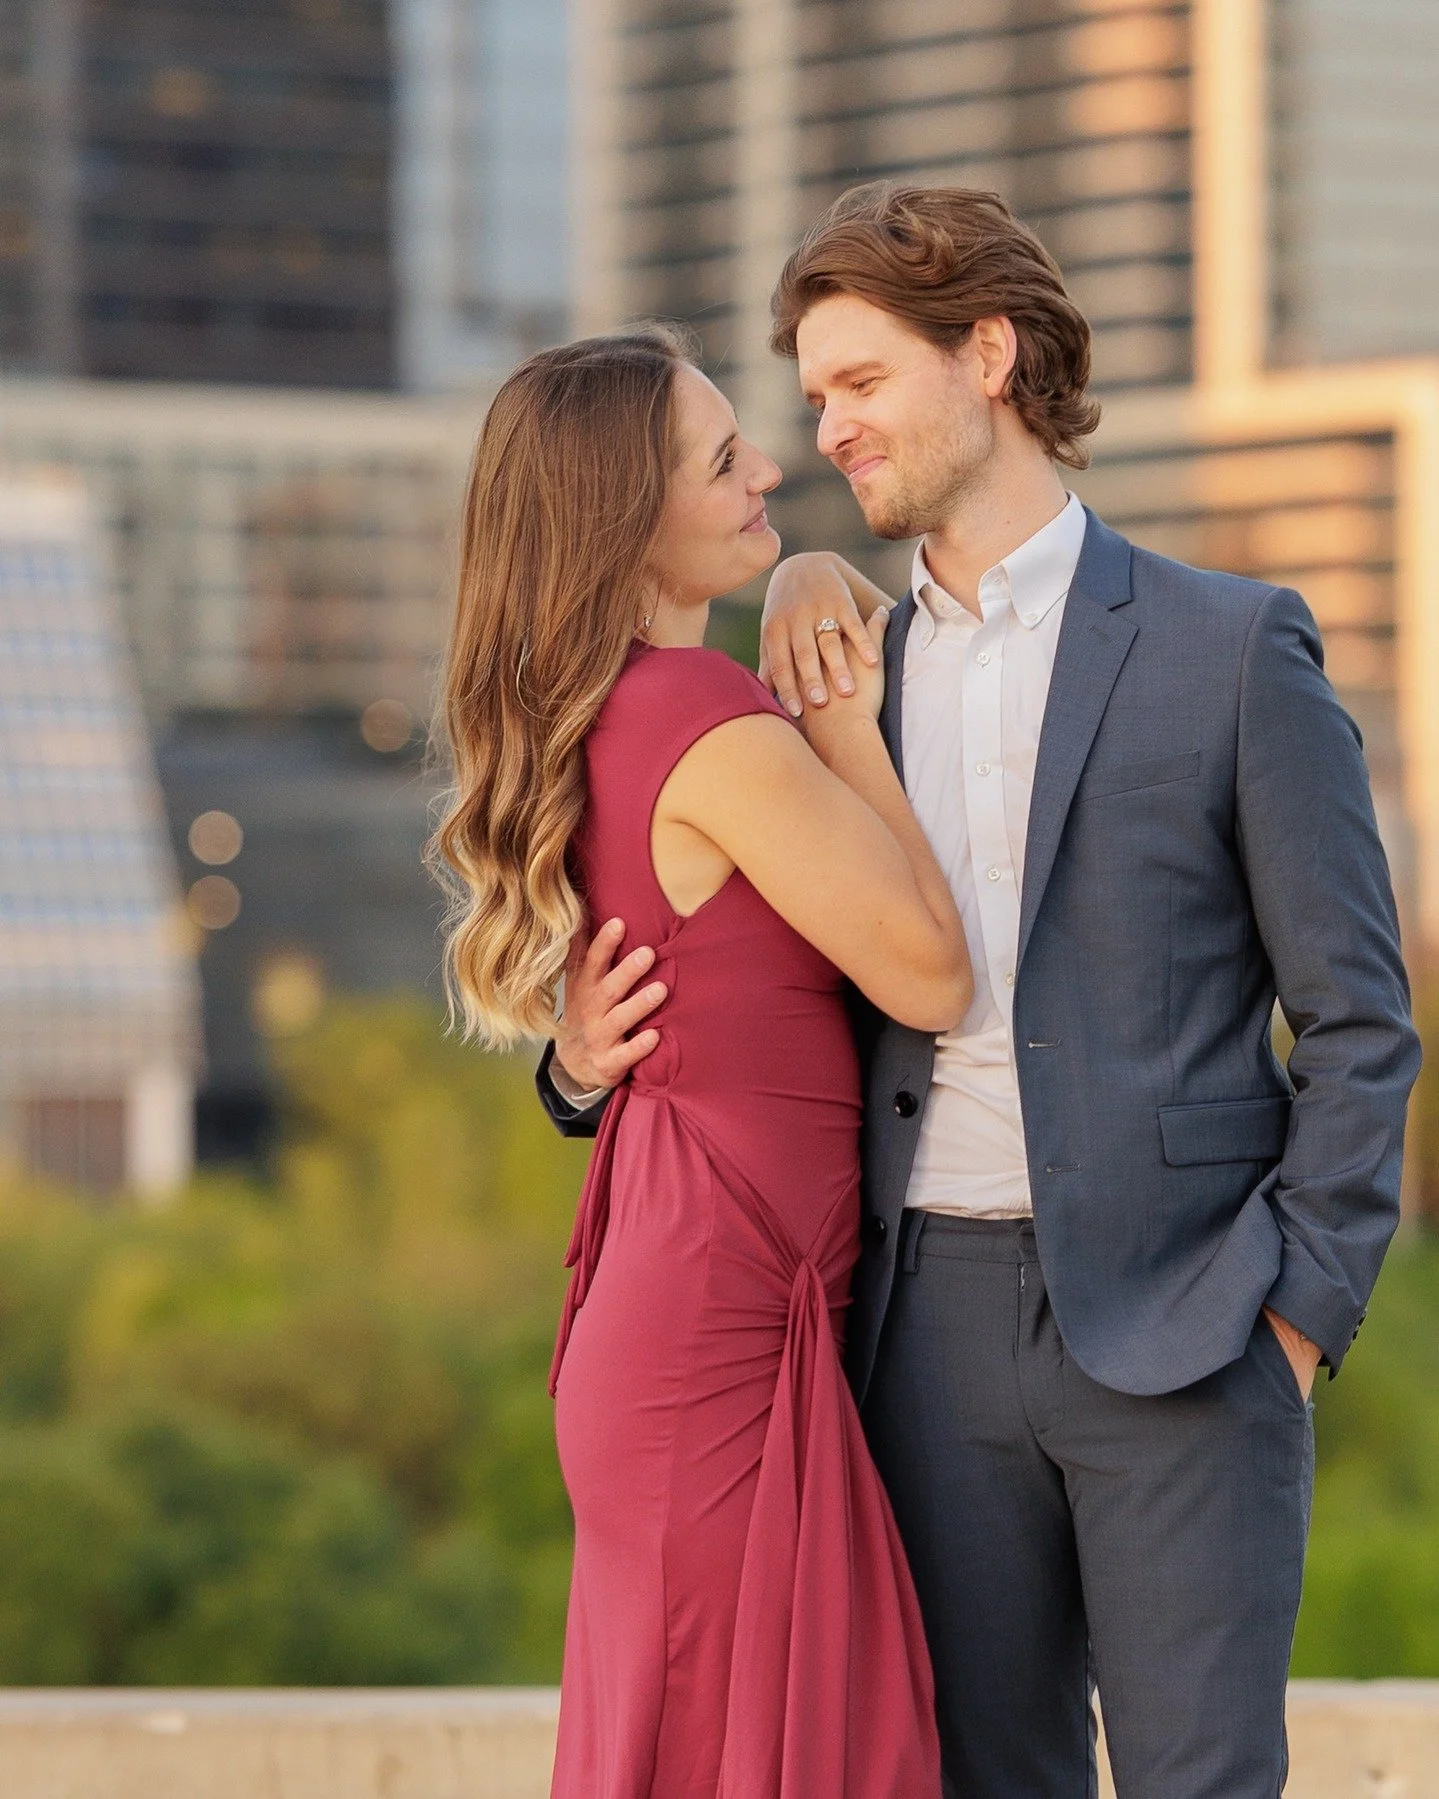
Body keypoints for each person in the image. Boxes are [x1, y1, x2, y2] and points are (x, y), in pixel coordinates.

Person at [539, 188, 1422, 1797]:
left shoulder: (1230, 650)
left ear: (989, 356)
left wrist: (1295, 1315)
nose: (825, 430)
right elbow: (714, 974)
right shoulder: (820, 675)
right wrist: (572, 1068)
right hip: (917, 1328)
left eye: (859, 385)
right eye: (810, 397)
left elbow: (1361, 1020)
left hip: (1188, 1325)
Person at [431, 326, 969, 1796]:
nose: (769, 466)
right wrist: (839, 716)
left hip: (690, 1315)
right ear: (626, 513)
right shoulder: (701, 719)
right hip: (716, 1338)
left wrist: (798, 577)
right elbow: (926, 964)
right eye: (721, 457)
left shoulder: (624, 705)